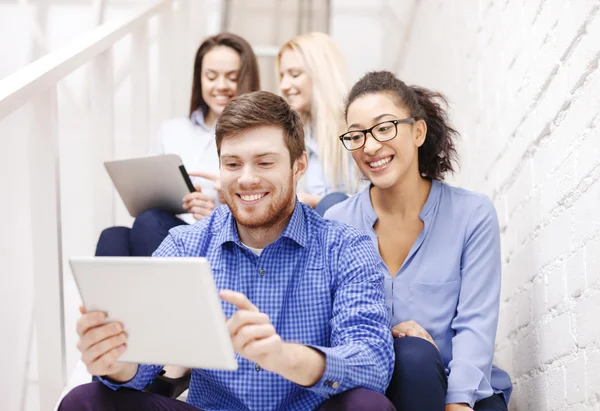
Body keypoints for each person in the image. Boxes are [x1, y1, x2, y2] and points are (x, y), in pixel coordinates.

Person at [58, 91, 396, 411]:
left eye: (264, 163)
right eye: (232, 164)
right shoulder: (185, 246)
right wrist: (116, 362)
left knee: (369, 406)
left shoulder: (345, 247)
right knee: (84, 400)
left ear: (299, 166)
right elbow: (143, 363)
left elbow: (372, 362)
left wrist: (284, 357)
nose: (246, 179)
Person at [325, 71, 513, 411]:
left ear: (418, 132)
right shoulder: (337, 223)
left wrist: (457, 403)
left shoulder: (473, 214)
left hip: (465, 392)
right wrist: (388, 332)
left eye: (384, 128)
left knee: (416, 358)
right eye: (356, 135)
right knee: (411, 355)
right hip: (380, 391)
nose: (370, 146)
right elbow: (333, 325)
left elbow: (476, 323)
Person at [95, 32, 260, 258]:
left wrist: (220, 209)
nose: (220, 86)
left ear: (247, 79)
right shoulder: (172, 130)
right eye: (211, 77)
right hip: (165, 230)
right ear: (199, 79)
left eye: (231, 77)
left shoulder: (259, 138)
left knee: (148, 222)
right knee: (112, 237)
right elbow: (146, 196)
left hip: (220, 241)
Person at [277, 32, 357, 215]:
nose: (284, 85)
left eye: (294, 74)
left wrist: (317, 202)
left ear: (322, 74)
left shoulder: (357, 131)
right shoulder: (292, 135)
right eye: (282, 76)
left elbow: (376, 202)